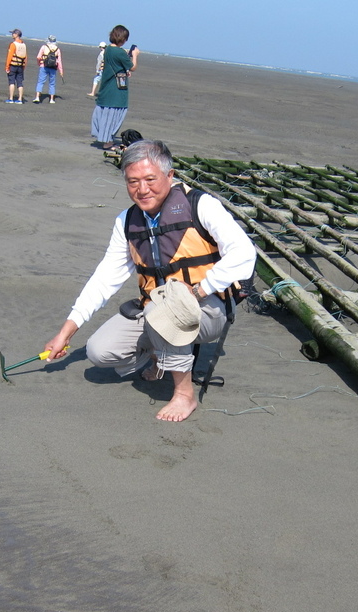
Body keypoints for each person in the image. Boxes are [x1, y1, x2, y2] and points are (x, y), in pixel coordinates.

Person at [43, 140, 256, 422]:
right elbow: (105, 278)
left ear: (170, 176)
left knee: (167, 309)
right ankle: (160, 356)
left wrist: (199, 290)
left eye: (150, 179)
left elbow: (244, 253)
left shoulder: (202, 206)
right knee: (100, 352)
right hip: (155, 308)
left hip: (209, 310)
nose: (142, 190)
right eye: (133, 182)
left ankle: (184, 394)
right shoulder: (126, 221)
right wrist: (66, 332)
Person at [91, 25, 139, 149]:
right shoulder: (119, 52)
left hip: (107, 86)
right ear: (122, 38)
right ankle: (108, 141)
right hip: (116, 90)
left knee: (105, 112)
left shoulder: (107, 50)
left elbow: (117, 65)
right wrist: (135, 55)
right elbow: (132, 66)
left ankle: (104, 137)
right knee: (114, 114)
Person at [33, 36, 64, 104]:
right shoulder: (57, 49)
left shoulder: (44, 47)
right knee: (52, 83)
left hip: (43, 66)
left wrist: (39, 63)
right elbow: (59, 61)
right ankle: (52, 99)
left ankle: (37, 97)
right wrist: (61, 71)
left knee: (40, 82)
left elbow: (38, 57)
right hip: (53, 68)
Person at [5, 29, 27, 103]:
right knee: (20, 83)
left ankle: (11, 98)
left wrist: (7, 67)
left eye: (13, 33)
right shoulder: (24, 45)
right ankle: (20, 99)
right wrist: (23, 67)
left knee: (11, 82)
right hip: (20, 66)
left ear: (16, 35)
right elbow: (25, 57)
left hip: (13, 66)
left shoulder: (13, 44)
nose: (12, 35)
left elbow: (9, 57)